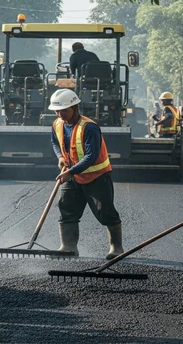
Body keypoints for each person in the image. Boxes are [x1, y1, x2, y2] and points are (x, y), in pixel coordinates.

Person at [48, 89, 123, 259]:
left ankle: (116, 248)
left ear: (75, 107)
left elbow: (91, 156)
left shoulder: (89, 127)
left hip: (96, 178)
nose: (60, 114)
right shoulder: (57, 124)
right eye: (57, 110)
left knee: (105, 212)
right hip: (72, 176)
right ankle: (68, 247)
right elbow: (54, 142)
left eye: (63, 110)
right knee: (67, 208)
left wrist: (70, 172)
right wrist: (60, 156)